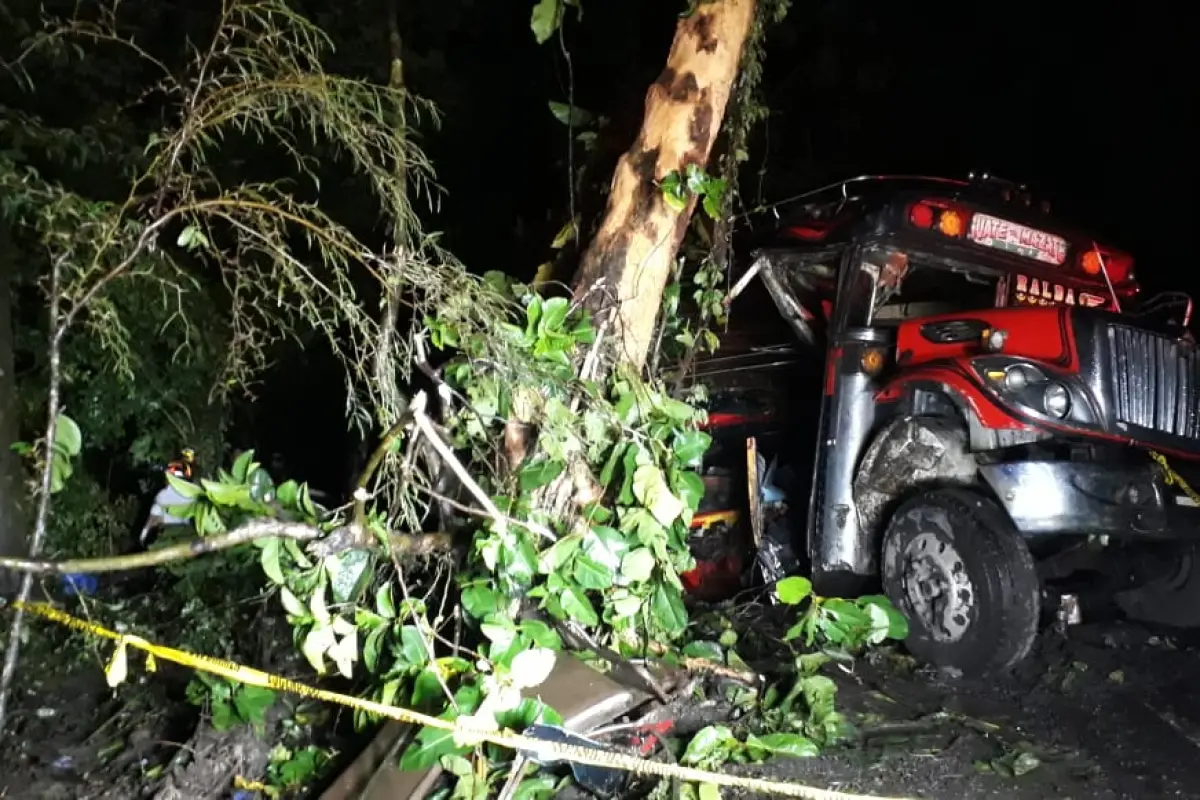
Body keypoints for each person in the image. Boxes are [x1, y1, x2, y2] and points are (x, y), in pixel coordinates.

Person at [139, 447, 197, 547]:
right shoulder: (194, 493)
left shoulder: (163, 495)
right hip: (187, 536)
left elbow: (153, 518)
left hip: (170, 535)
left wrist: (143, 535)